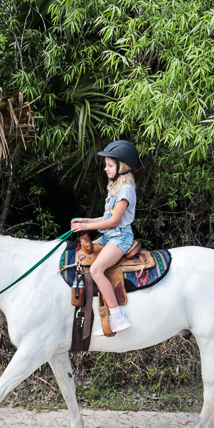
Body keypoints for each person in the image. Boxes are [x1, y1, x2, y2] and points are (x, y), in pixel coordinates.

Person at [70, 140, 139, 333]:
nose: (105, 169)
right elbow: (107, 217)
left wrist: (87, 226)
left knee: (97, 269)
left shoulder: (126, 189)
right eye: (106, 165)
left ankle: (117, 316)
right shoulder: (115, 186)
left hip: (120, 238)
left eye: (109, 165)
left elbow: (115, 221)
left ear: (122, 166)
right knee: (81, 254)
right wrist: (86, 220)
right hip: (108, 236)